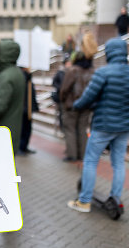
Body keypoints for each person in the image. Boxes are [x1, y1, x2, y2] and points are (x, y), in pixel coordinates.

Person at [67, 37, 129, 212]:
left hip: (103, 125)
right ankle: (115, 199)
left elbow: (88, 96)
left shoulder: (103, 73)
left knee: (90, 161)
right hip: (124, 126)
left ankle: (84, 201)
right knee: (118, 163)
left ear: (109, 53)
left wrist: (76, 105)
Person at [59, 32, 97, 162]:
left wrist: (63, 100)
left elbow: (64, 89)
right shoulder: (92, 71)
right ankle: (82, 154)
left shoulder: (73, 70)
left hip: (71, 105)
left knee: (70, 130)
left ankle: (72, 155)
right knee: (82, 129)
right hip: (86, 105)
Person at [0, 39, 25, 154]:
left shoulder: (6, 76)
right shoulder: (16, 73)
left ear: (3, 55)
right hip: (11, 130)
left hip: (3, 131)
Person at [18, 67, 39, 155]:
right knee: (23, 129)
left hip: (28, 108)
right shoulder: (21, 77)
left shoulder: (29, 79)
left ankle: (24, 147)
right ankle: (20, 148)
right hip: (23, 109)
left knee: (28, 129)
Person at [51, 55, 69, 130]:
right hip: (61, 97)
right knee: (61, 113)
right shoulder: (60, 72)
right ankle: (62, 128)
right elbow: (54, 82)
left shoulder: (72, 72)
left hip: (68, 97)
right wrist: (60, 88)